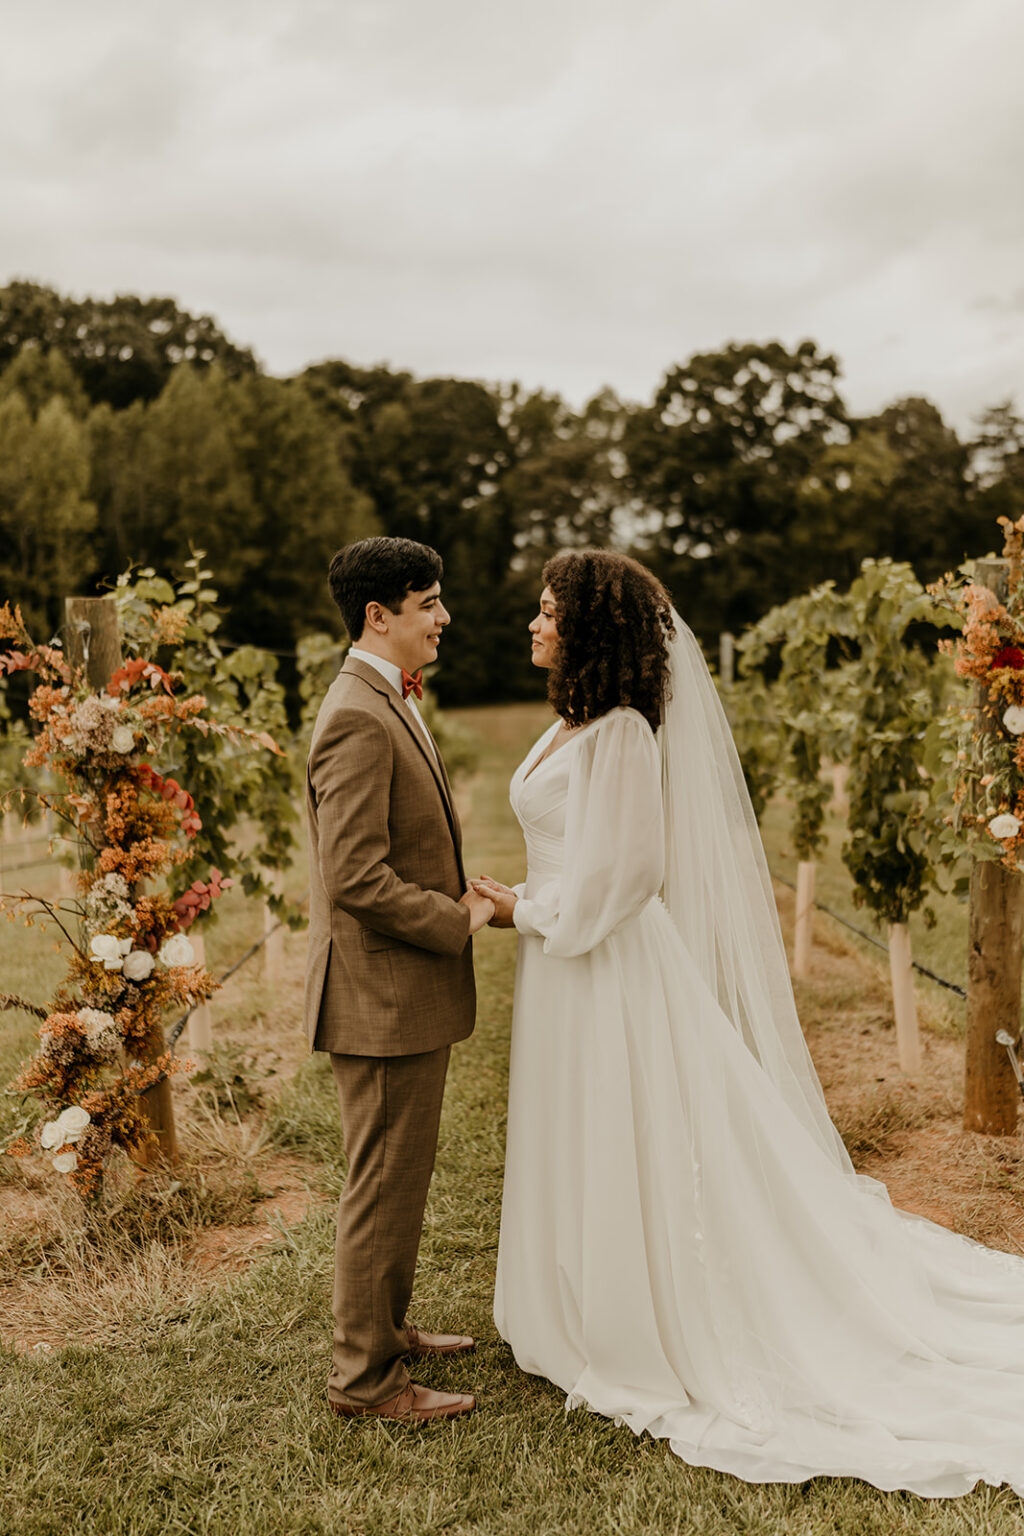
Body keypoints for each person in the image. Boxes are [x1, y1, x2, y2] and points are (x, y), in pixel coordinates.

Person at [473, 548, 1024, 1496]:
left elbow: (627, 877)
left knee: (631, 1131)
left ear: (591, 630)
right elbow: (575, 860)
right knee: (580, 1127)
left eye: (550, 612)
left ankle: (634, 1312)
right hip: (564, 958)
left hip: (606, 965)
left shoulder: (623, 735)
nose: (534, 624)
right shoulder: (571, 725)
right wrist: (522, 893)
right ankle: (571, 1294)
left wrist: (522, 913)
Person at [305, 536, 494, 1424]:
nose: (443, 618)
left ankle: (387, 1331)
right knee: (380, 1184)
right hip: (380, 995)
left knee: (400, 1178)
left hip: (401, 994)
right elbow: (355, 876)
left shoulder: (389, 698)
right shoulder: (356, 711)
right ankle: (365, 1382)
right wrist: (453, 920)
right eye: (429, 603)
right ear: (379, 616)